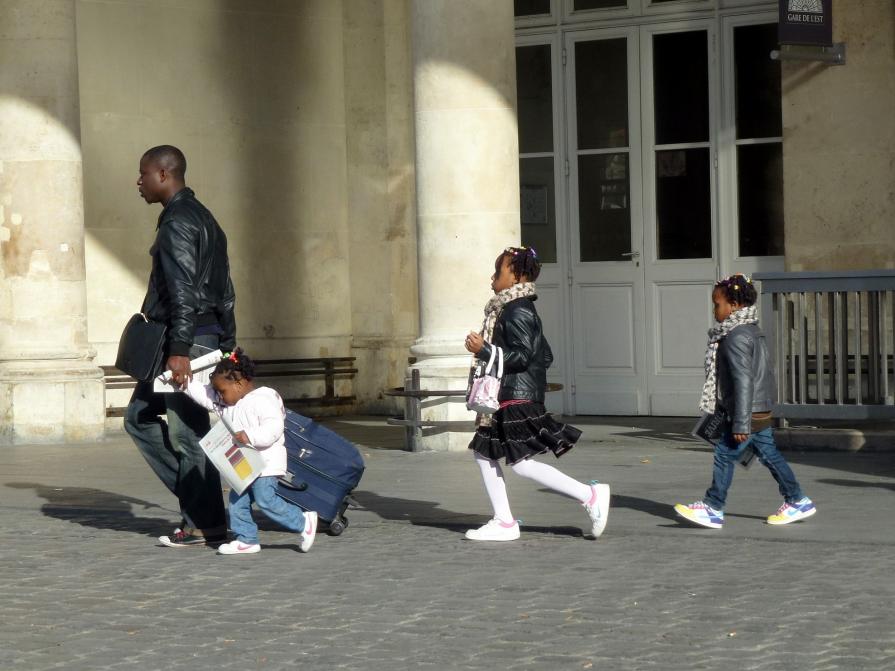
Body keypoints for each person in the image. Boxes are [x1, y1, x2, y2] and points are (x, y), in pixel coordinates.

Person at [125, 145, 236, 548]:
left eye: (143, 174)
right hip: (195, 338)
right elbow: (227, 291)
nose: (138, 182)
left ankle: (206, 521)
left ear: (163, 174)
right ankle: (201, 506)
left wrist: (180, 350)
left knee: (188, 434)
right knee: (138, 417)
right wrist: (228, 341)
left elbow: (183, 293)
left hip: (184, 342)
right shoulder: (205, 218)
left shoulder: (177, 223)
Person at [463, 246, 610, 542]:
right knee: (484, 452)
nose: (492, 278)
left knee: (520, 463)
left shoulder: (517, 310)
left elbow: (524, 357)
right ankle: (504, 521)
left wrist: (485, 350)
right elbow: (545, 355)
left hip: (516, 398)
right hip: (513, 394)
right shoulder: (514, 308)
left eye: (498, 271)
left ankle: (589, 495)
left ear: (516, 276)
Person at [674, 274, 817, 529]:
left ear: (734, 305)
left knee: (724, 454)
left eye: (717, 304)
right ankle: (797, 500)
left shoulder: (735, 336)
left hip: (747, 411)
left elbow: (743, 380)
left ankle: (713, 507)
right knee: (768, 453)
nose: (714, 310)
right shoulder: (751, 330)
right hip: (759, 407)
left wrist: (741, 422)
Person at [181, 349, 317, 556]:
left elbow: (274, 428)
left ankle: (303, 522)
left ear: (239, 384)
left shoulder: (262, 399)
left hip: (266, 464)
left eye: (222, 391)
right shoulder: (226, 404)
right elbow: (204, 395)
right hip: (243, 466)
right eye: (218, 392)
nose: (219, 396)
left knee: (265, 500)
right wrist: (184, 383)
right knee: (237, 502)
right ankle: (246, 539)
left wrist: (250, 436)